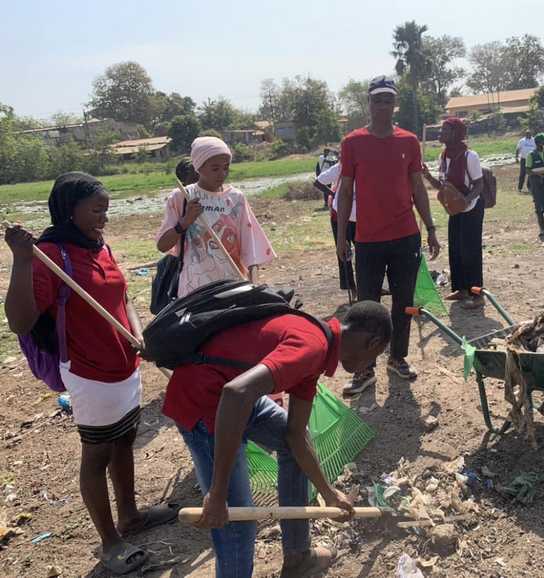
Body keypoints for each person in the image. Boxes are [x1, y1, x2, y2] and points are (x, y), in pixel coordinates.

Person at [4, 173, 177, 575]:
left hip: (124, 364)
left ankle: (131, 516)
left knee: (125, 439)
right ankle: (110, 541)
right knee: (97, 454)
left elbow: (123, 297)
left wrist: (138, 334)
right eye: (97, 210)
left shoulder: (99, 245)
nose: (104, 219)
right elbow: (19, 321)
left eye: (106, 210)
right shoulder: (49, 255)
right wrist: (22, 260)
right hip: (89, 371)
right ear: (70, 209)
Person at [163, 301, 393, 578]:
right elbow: (235, 394)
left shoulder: (320, 348)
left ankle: (298, 558)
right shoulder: (312, 347)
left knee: (293, 446)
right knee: (235, 521)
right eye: (375, 357)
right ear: (373, 343)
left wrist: (328, 492)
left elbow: (295, 434)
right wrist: (218, 491)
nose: (368, 365)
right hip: (204, 402)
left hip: (238, 396)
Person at [336, 75, 440, 395]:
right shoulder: (352, 143)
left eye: (388, 100)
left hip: (405, 236)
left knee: (403, 301)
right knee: (366, 306)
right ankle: (365, 369)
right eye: (377, 99)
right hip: (367, 239)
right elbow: (345, 191)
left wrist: (431, 228)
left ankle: (397, 357)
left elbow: (418, 187)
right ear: (368, 103)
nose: (382, 105)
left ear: (395, 104)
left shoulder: (409, 141)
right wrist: (341, 237)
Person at [156, 136, 275, 297]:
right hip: (195, 291)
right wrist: (185, 222)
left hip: (234, 287)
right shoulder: (182, 197)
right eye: (215, 168)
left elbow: (251, 250)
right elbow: (162, 245)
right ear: (199, 167)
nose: (222, 174)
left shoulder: (236, 199)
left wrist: (253, 289)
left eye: (226, 168)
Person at [421, 117, 485, 308]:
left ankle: (477, 294)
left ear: (456, 134)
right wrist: (427, 176)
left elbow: (479, 184)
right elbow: (443, 187)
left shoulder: (469, 156)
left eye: (445, 130)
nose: (440, 133)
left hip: (471, 208)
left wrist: (466, 200)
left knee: (470, 250)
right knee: (456, 248)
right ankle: (461, 289)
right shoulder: (443, 157)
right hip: (455, 208)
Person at [315, 162, 357, 303]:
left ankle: (366, 285)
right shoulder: (340, 166)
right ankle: (351, 287)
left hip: (359, 216)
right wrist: (333, 194)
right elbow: (318, 182)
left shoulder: (365, 164)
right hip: (339, 216)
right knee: (344, 252)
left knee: (365, 251)